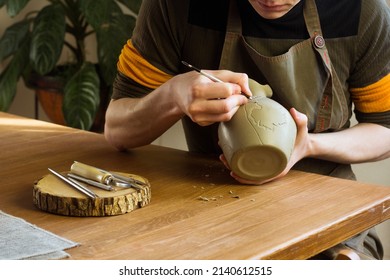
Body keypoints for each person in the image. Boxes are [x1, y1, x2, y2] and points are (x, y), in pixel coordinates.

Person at [104, 0, 390, 259]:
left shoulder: (361, 12)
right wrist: (172, 96)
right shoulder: (176, 7)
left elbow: (385, 130)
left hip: (328, 216)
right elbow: (117, 129)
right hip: (208, 206)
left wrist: (308, 146)